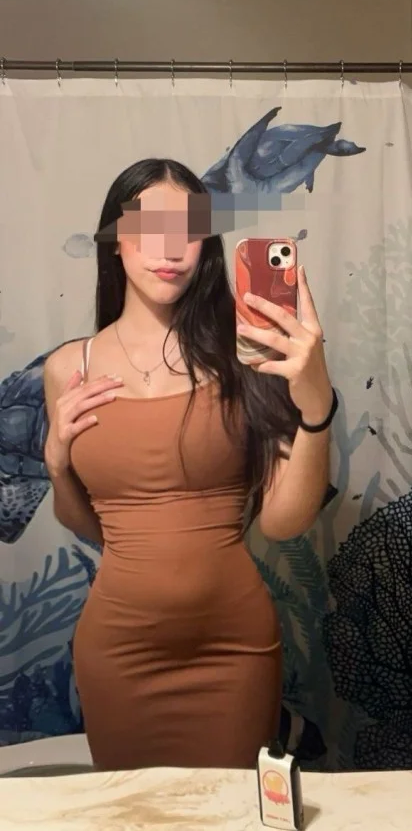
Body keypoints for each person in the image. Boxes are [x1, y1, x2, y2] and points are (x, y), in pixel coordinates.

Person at [43, 158, 336, 772]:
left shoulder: (248, 353)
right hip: (118, 652)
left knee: (231, 809)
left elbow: (282, 522)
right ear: (114, 239)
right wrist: (57, 464)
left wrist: (316, 405)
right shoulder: (70, 368)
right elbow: (88, 524)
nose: (170, 247)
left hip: (234, 647)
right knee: (134, 811)